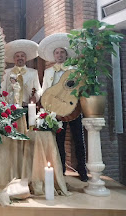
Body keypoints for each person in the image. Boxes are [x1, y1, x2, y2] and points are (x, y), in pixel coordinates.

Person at [39, 33, 88, 182]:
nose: (59, 55)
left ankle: (82, 169)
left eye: (62, 52)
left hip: (73, 110)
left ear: (66, 55)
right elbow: (45, 90)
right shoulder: (48, 72)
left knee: (78, 139)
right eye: (57, 53)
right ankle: (61, 168)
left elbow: (81, 88)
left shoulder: (74, 70)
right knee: (58, 141)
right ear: (54, 55)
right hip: (56, 111)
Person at [2, 39, 41, 107]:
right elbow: (2, 90)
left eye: (22, 56)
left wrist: (35, 98)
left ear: (26, 58)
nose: (20, 58)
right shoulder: (6, 72)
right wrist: (3, 103)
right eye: (17, 56)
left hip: (26, 106)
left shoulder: (33, 72)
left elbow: (39, 90)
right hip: (10, 107)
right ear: (14, 59)